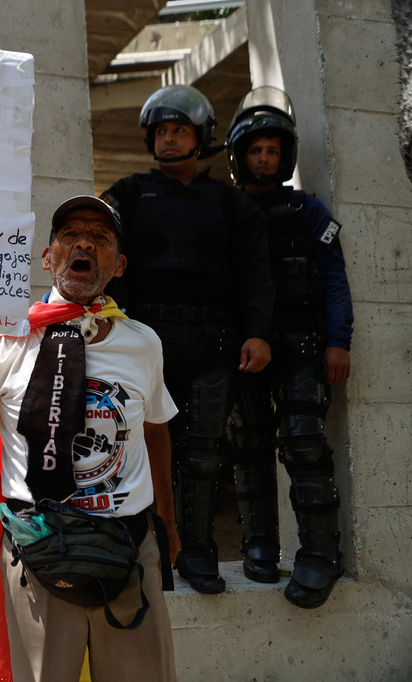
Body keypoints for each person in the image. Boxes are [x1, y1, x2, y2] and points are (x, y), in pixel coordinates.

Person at [0, 196, 178, 681]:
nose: (84, 243)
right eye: (70, 234)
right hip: (41, 554)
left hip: (131, 552)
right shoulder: (8, 342)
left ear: (118, 264)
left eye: (101, 237)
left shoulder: (143, 344)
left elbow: (156, 435)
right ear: (48, 258)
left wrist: (169, 526)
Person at [100, 84, 276, 595]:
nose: (169, 139)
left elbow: (254, 274)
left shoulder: (230, 203)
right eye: (161, 131)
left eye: (179, 130)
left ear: (201, 138)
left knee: (202, 453)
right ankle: (145, 553)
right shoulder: (128, 194)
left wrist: (259, 333)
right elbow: (107, 260)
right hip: (141, 341)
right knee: (131, 450)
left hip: (211, 344)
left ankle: (198, 555)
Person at [224, 86, 353, 608]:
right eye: (255, 150)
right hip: (244, 351)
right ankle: (259, 547)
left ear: (285, 156)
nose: (263, 158)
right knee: (249, 446)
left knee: (304, 445)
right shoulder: (227, 211)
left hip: (304, 347)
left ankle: (320, 554)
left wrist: (339, 341)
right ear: (240, 155)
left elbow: (334, 278)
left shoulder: (309, 211)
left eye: (272, 150)